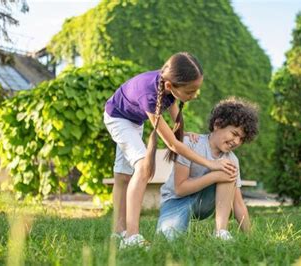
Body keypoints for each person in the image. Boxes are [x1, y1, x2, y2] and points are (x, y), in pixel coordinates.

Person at [104, 52, 237, 248]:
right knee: (141, 167)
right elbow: (173, 144)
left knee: (123, 176)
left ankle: (118, 232)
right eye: (191, 91)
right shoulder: (149, 94)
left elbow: (176, 127)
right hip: (117, 118)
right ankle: (131, 237)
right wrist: (210, 163)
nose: (194, 96)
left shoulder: (167, 87)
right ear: (170, 86)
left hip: (134, 120)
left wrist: (185, 132)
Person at [156, 97, 258, 240]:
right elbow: (179, 189)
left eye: (241, 139)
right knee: (169, 240)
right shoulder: (191, 144)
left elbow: (238, 203)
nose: (236, 141)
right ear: (217, 124)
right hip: (176, 200)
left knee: (228, 168)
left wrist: (251, 237)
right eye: (234, 134)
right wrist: (215, 176)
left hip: (205, 204)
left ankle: (221, 232)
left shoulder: (231, 159)